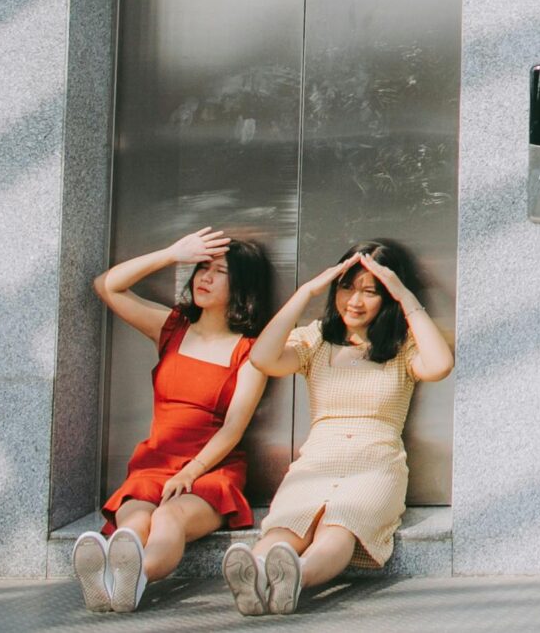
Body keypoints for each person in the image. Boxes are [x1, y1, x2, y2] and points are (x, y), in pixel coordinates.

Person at [230, 242, 453, 616]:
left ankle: (294, 578)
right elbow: (263, 357)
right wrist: (305, 293)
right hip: (318, 459)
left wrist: (403, 293)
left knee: (340, 528)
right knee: (286, 528)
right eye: (347, 287)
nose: (354, 301)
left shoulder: (403, 346)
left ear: (388, 297)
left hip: (376, 463)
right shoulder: (315, 339)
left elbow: (441, 364)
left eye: (371, 291)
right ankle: (253, 575)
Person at [78, 228, 274, 614]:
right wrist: (171, 253)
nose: (205, 277)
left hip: (211, 470)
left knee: (169, 519)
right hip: (154, 464)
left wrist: (191, 472)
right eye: (202, 267)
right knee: (133, 523)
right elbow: (107, 286)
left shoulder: (249, 353)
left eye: (219, 271)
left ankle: (131, 580)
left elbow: (234, 427)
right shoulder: (171, 328)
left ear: (242, 286)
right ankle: (113, 576)